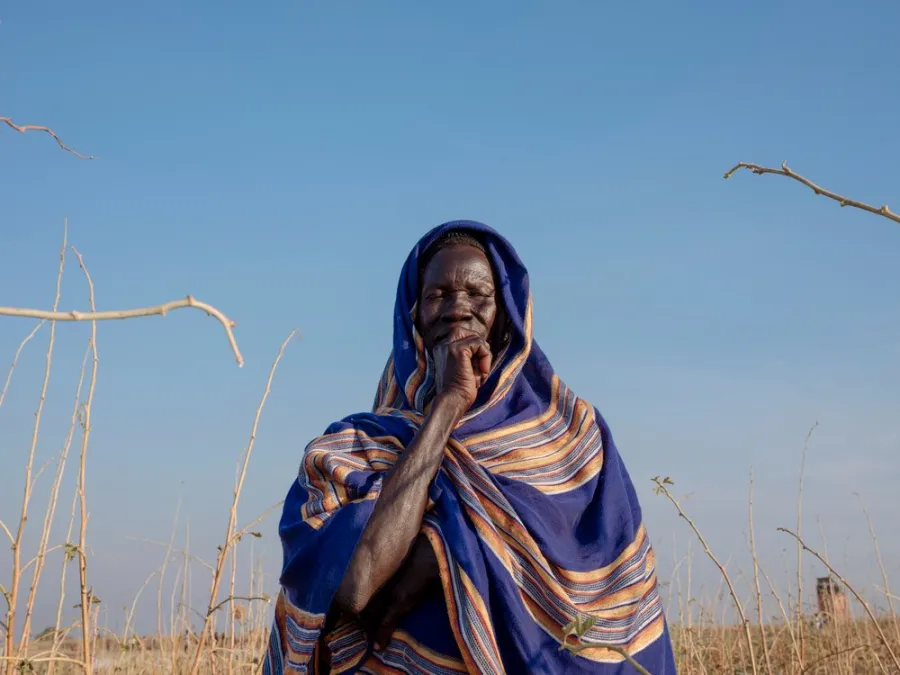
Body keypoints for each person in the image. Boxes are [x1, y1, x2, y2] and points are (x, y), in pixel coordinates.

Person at [262, 221, 675, 674]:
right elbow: (357, 584)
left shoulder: (575, 436)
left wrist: (436, 550)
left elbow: (609, 594)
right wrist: (447, 405)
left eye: (478, 294)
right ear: (413, 314)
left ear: (508, 316)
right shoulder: (351, 450)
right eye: (438, 294)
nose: (458, 308)